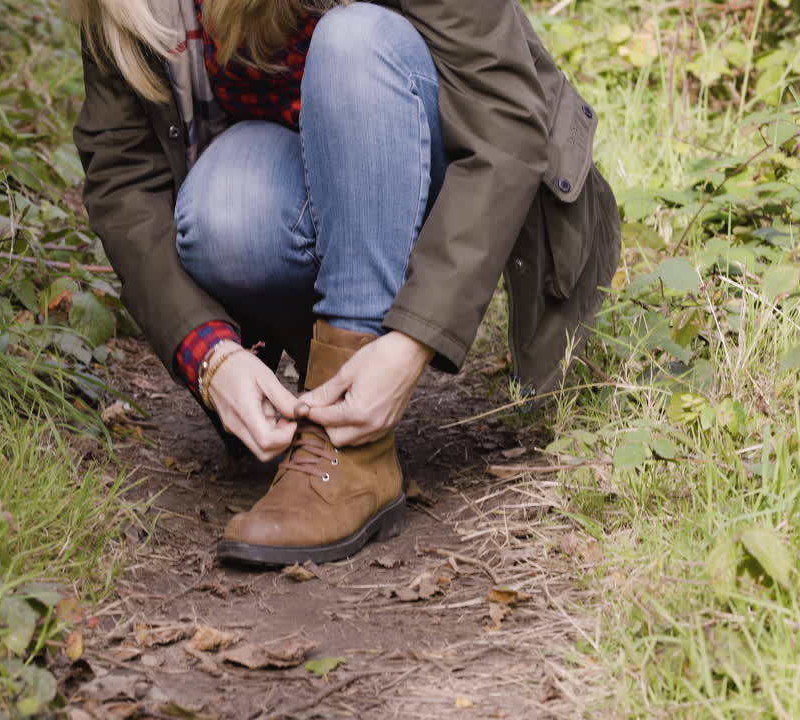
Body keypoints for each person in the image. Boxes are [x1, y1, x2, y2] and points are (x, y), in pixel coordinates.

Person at [71, 0, 621, 566]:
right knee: (225, 211)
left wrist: (413, 341)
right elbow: (124, 177)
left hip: (425, 167)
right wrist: (211, 359)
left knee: (354, 42)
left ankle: (351, 450)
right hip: (300, 188)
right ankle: (331, 388)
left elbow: (507, 122)